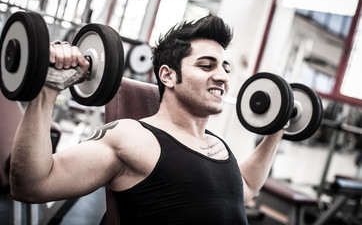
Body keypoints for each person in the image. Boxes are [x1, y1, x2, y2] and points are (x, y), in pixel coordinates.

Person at [10, 14, 283, 224]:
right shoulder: (133, 138)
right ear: (168, 76)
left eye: (225, 67)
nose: (223, 76)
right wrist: (48, 90)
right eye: (206, 65)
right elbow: (33, 185)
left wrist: (277, 126)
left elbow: (244, 187)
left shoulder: (218, 146)